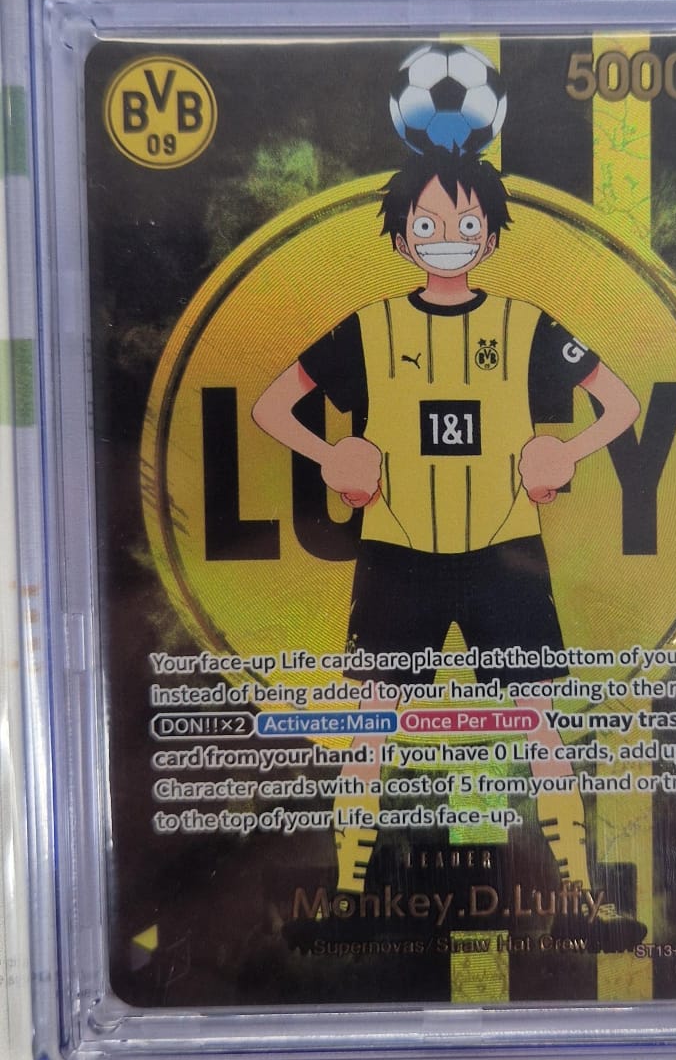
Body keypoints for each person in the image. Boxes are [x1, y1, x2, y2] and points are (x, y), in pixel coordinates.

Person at [253, 147, 645, 948]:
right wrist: (332, 456)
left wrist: (563, 452)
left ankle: (578, 897)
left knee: (538, 723)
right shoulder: (368, 327)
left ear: (490, 237)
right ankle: (348, 901)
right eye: (426, 224)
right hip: (399, 555)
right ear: (400, 237)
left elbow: (620, 403)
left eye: (465, 224)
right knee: (370, 725)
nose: (446, 238)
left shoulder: (525, 324)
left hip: (504, 553)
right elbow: (271, 406)